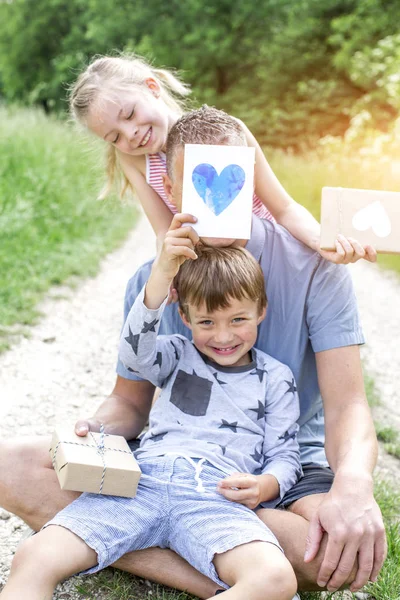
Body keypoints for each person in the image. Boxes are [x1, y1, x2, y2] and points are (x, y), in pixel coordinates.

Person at [0, 107, 386, 599]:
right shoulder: (153, 279)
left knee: (333, 551)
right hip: (168, 462)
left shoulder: (314, 267)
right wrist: (96, 432)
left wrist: (352, 484)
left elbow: (348, 404)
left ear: (252, 180)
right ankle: (200, 545)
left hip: (275, 463)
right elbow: (131, 401)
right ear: (173, 192)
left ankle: (148, 533)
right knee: (10, 465)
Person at [1, 243, 302, 600]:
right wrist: (160, 279)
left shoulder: (276, 377)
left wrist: (265, 485)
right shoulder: (177, 352)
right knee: (34, 556)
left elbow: (285, 455)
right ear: (186, 318)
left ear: (261, 311)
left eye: (238, 319)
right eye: (206, 322)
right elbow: (135, 353)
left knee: (275, 580)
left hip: (216, 497)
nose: (223, 336)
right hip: (143, 483)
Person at [69, 53, 376, 265]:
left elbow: (283, 208)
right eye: (114, 137)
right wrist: (169, 269)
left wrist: (320, 239)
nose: (130, 135)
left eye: (130, 115)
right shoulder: (133, 159)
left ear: (152, 88)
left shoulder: (226, 133)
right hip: (214, 265)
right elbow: (165, 231)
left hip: (265, 245)